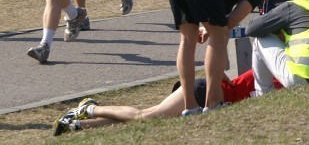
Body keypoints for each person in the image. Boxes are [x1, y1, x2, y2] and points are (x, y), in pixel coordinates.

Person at [163, 0, 272, 115]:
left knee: (187, 38)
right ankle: (213, 103)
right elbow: (227, 26)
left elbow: (221, 18)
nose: (265, 0)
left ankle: (190, 106)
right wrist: (213, 31)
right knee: (218, 36)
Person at [53, 70, 256, 135]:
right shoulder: (278, 71)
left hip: (210, 95)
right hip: (203, 93)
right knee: (145, 116)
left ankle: (76, 125)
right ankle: (89, 108)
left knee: (144, 117)